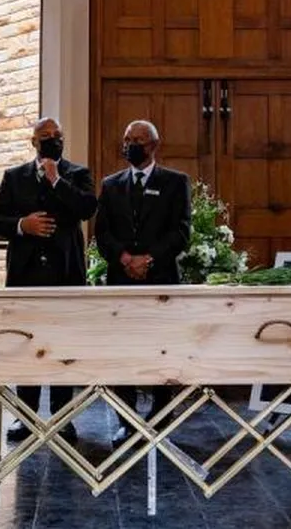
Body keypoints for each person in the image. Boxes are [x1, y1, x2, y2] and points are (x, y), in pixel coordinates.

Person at [0, 118, 97, 444]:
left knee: (62, 344)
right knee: (26, 343)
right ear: (33, 142)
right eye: (45, 136)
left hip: (66, 272)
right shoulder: (14, 177)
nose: (53, 140)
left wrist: (56, 181)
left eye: (57, 136)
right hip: (26, 275)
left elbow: (87, 208)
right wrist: (22, 225)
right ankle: (25, 415)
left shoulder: (77, 173)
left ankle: (63, 417)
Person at [94, 120, 191, 448]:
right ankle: (128, 420)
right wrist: (125, 259)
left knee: (162, 348)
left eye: (138, 139)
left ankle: (161, 418)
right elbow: (102, 232)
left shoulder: (176, 182)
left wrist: (148, 259)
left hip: (161, 279)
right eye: (127, 139)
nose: (130, 145)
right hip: (121, 281)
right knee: (123, 351)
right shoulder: (110, 185)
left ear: (153, 145)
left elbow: (181, 232)